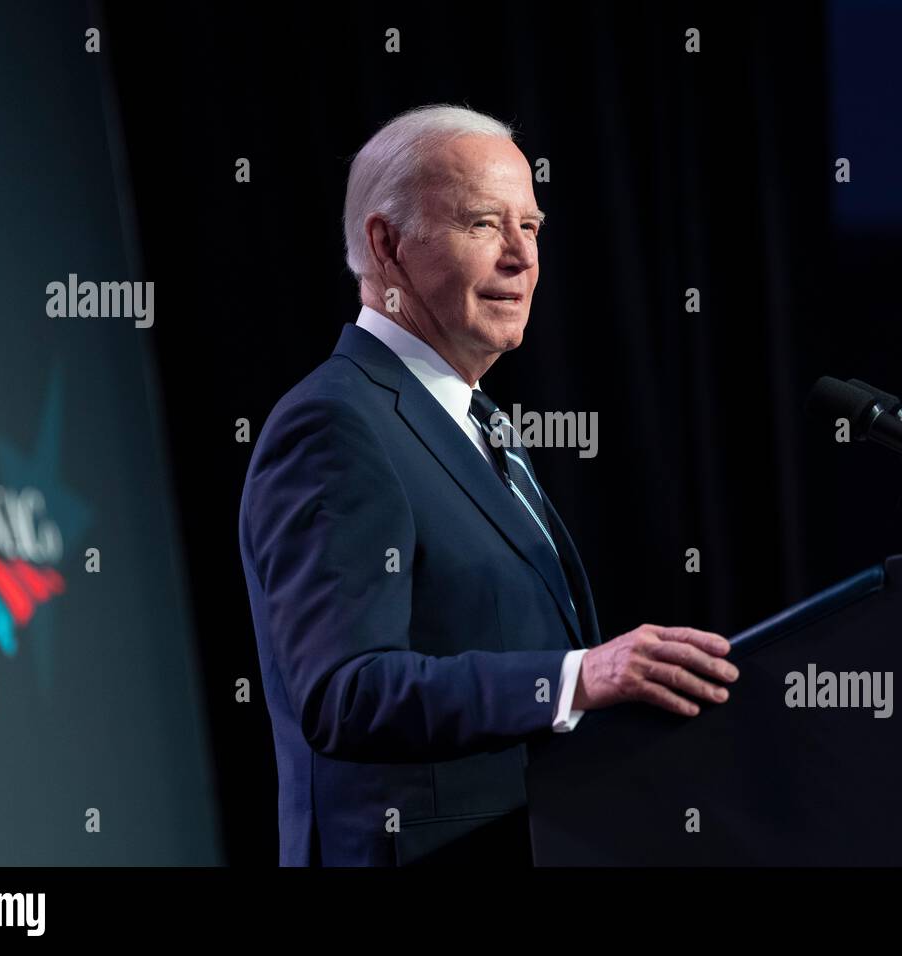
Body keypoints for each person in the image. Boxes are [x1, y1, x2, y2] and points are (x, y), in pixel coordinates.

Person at [238, 104, 738, 866]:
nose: (520, 257)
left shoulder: (476, 421)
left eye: (531, 227)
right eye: (483, 224)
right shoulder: (335, 425)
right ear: (387, 244)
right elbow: (347, 692)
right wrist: (578, 677)